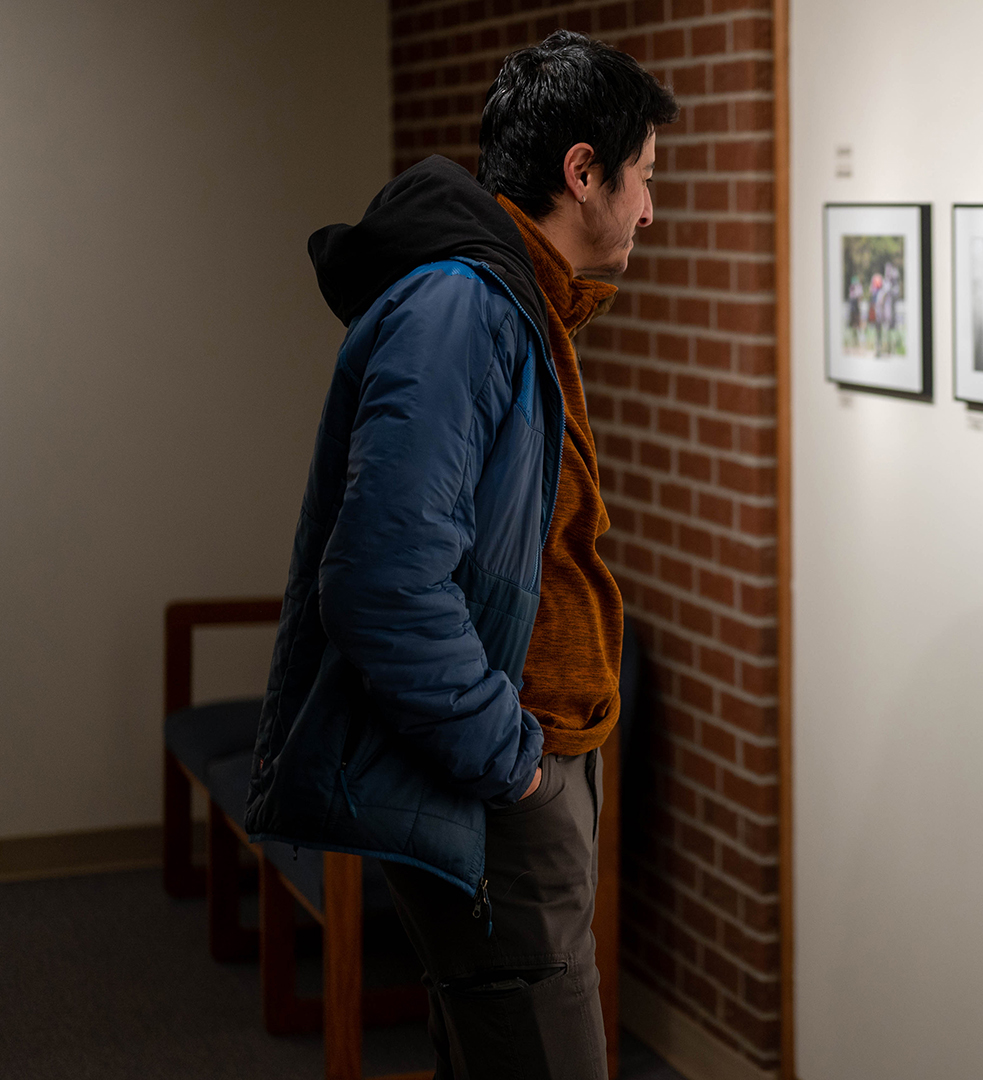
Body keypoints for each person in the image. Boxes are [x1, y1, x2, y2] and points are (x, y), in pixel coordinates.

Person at [244, 30, 678, 1080]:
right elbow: (382, 584)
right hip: (504, 780)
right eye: (645, 178)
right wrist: (514, 764)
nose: (652, 210)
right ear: (584, 173)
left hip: (528, 767)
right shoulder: (464, 310)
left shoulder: (513, 303)